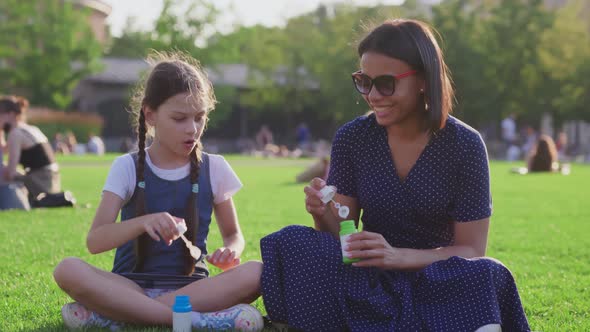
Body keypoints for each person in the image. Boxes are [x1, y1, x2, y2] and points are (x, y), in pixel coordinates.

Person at [259, 19, 529, 331]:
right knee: (293, 241)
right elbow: (341, 235)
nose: (372, 95)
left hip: (437, 280)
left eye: (386, 83)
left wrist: (398, 256)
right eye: (364, 81)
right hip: (368, 280)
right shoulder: (353, 137)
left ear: (424, 80)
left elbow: (470, 250)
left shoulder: (464, 145)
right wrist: (322, 213)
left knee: (488, 272)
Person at [52, 52, 263, 331]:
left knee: (258, 271)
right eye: (179, 118)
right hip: (130, 285)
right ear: (150, 115)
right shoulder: (127, 167)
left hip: (192, 289)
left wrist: (229, 250)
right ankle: (196, 321)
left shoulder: (216, 167)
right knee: (67, 269)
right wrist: (143, 222)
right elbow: (96, 241)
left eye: (200, 117)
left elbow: (233, 235)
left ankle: (117, 316)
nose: (193, 129)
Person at [0, 96, 61, 199]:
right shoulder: (29, 129)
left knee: (2, 172)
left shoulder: (15, 134)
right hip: (51, 181)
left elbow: (11, 173)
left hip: (41, 184)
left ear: (10, 114)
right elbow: (4, 149)